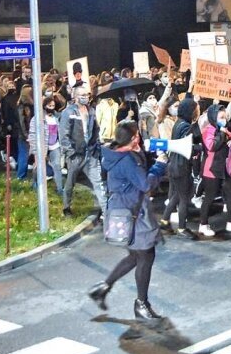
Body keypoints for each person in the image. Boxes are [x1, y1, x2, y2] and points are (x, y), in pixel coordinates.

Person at [88, 121, 167, 319]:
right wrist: (160, 165)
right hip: (134, 214)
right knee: (146, 255)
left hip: (123, 210)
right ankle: (141, 304)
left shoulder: (115, 154)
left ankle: (103, 287)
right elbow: (144, 183)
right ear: (133, 139)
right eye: (137, 136)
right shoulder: (126, 161)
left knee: (134, 256)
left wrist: (140, 153)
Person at [59, 85, 108, 218]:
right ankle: (66, 207)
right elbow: (64, 135)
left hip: (90, 153)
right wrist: (71, 153)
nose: (86, 98)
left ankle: (106, 211)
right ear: (75, 97)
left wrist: (96, 146)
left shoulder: (91, 111)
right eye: (82, 95)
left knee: (98, 182)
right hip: (76, 154)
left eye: (87, 95)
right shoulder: (68, 112)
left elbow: (96, 129)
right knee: (70, 182)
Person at [161, 95, 202, 239]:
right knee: (184, 198)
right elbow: (189, 146)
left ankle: (165, 220)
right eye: (196, 110)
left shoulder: (179, 122)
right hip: (181, 166)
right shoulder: (185, 126)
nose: (198, 112)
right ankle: (182, 228)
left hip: (174, 164)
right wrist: (200, 148)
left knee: (177, 194)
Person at [197, 104, 231, 236]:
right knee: (210, 196)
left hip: (225, 166)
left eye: (225, 116)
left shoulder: (224, 129)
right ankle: (203, 224)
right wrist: (222, 134)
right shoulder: (208, 130)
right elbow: (212, 146)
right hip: (212, 168)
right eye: (221, 117)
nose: (224, 119)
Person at [28, 97, 64, 194]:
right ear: (44, 106)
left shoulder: (57, 118)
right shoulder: (38, 118)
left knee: (57, 166)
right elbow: (32, 134)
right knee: (38, 165)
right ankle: (35, 182)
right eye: (49, 106)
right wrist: (35, 148)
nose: (51, 108)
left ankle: (60, 188)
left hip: (55, 145)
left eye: (53, 106)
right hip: (42, 146)